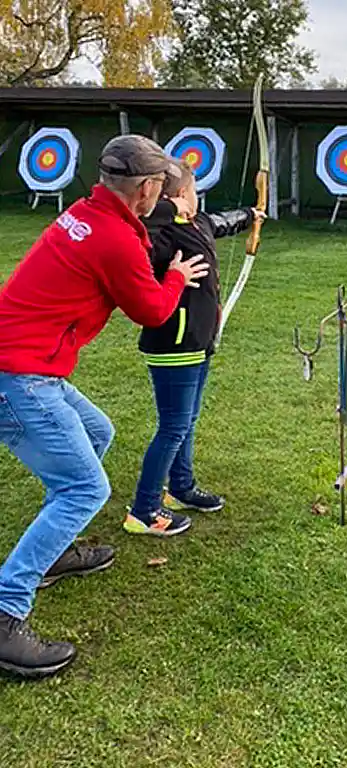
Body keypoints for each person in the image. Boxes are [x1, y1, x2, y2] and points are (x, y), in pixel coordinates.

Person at [0, 135, 209, 680]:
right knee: (85, 488)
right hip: (18, 374)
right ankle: (5, 612)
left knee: (98, 432)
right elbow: (151, 311)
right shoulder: (114, 238)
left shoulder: (85, 212)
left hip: (27, 364)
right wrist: (175, 278)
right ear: (145, 189)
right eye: (160, 186)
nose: (163, 194)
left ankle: (51, 554)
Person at [124, 158, 264, 536]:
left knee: (186, 421)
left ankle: (181, 489)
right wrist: (169, 209)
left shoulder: (196, 223)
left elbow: (218, 222)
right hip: (173, 341)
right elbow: (137, 227)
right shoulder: (161, 232)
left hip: (198, 341)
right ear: (182, 195)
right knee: (172, 427)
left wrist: (252, 213)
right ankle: (144, 509)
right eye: (193, 190)